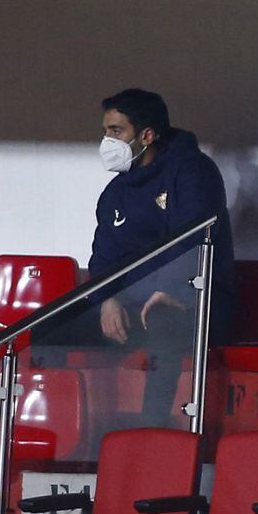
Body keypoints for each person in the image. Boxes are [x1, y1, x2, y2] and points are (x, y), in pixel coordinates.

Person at [38, 88, 235, 426]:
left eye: (116, 131)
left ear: (146, 134)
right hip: (132, 302)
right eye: (105, 131)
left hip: (197, 302)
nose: (107, 141)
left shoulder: (193, 171)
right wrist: (107, 299)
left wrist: (169, 290)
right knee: (49, 328)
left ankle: (150, 429)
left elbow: (194, 237)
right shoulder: (115, 193)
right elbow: (102, 256)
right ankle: (65, 431)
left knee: (162, 321)